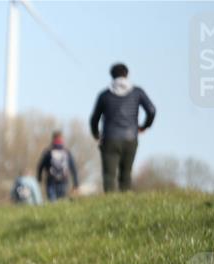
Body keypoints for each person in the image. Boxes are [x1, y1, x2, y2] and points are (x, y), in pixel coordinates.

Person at [90, 62, 156, 192]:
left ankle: (109, 203)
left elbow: (94, 118)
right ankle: (124, 202)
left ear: (112, 76)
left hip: (110, 138)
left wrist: (96, 134)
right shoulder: (137, 92)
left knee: (109, 175)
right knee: (126, 174)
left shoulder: (104, 95)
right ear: (127, 75)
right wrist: (144, 126)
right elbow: (152, 110)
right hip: (131, 138)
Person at [37, 131, 79, 202]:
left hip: (51, 180)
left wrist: (39, 178)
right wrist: (76, 183)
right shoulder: (66, 151)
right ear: (62, 139)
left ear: (53, 139)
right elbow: (73, 168)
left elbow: (41, 165)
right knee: (62, 199)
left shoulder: (48, 152)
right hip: (63, 179)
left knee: (52, 201)